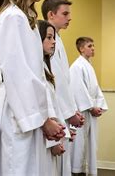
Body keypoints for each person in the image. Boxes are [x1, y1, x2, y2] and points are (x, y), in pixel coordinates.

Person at [0, 0, 65, 175]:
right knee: (20, 168)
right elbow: (19, 74)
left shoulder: (24, 17)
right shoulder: (12, 17)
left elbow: (35, 75)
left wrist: (47, 116)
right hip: (20, 111)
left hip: (27, 109)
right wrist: (43, 120)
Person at [42, 0, 85, 175]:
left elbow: (64, 82)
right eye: (65, 13)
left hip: (61, 113)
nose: (69, 18)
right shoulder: (47, 41)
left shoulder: (56, 40)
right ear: (51, 14)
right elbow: (55, 85)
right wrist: (68, 115)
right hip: (55, 114)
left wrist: (71, 111)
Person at [70, 37, 108, 176]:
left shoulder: (88, 65)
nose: (93, 48)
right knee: (79, 144)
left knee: (91, 143)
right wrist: (91, 107)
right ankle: (76, 170)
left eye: (93, 45)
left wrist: (99, 106)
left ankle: (85, 170)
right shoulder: (77, 66)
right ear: (81, 48)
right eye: (90, 46)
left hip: (90, 111)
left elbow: (95, 89)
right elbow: (78, 90)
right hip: (82, 112)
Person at [38, 20, 69, 175]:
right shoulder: (36, 70)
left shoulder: (44, 67)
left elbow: (53, 105)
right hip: (43, 138)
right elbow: (45, 108)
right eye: (49, 37)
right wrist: (53, 141)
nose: (53, 41)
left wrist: (63, 130)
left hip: (50, 135)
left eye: (53, 37)